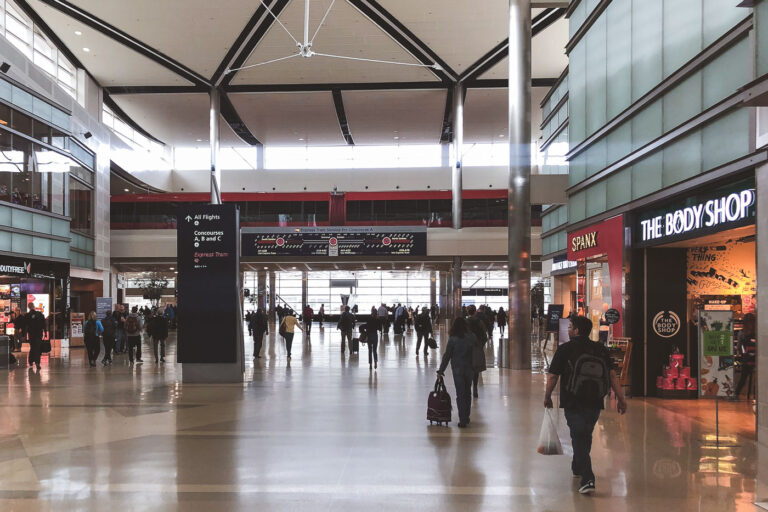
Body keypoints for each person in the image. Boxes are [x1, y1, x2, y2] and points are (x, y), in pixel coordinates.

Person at [544, 315, 627, 495]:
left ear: (577, 330)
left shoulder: (565, 349)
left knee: (578, 434)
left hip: (573, 399)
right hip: (595, 400)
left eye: (571, 326)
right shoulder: (600, 349)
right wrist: (621, 398)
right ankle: (577, 465)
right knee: (584, 434)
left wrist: (547, 396)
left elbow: (552, 376)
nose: (568, 329)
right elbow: (613, 375)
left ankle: (588, 478)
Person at [437, 317, 477, 428]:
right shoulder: (472, 337)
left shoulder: (453, 339)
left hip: (458, 369)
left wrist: (441, 370)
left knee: (460, 394)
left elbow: (447, 356)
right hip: (470, 369)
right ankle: (466, 416)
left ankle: (462, 419)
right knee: (467, 392)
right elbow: (478, 351)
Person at [466, 305, 488, 398]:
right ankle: (475, 387)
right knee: (476, 368)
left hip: (466, 348)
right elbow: (484, 336)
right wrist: (480, 345)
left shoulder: (465, 322)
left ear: (467, 312)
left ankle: (467, 388)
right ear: (475, 312)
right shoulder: (479, 322)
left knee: (467, 367)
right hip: (477, 347)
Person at [736, 313, 756, 399]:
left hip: (746, 359)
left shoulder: (741, 333)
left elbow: (739, 347)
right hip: (756, 359)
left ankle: (736, 394)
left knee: (743, 379)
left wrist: (742, 354)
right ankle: (756, 396)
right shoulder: (757, 332)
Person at [24, 303, 47, 370]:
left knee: (32, 347)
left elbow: (26, 326)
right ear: (34, 306)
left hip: (31, 334)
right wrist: (45, 332)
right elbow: (44, 324)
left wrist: (25, 335)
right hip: (38, 334)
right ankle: (37, 363)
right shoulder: (39, 314)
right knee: (37, 348)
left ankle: (31, 361)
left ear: (28, 307)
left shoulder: (27, 315)